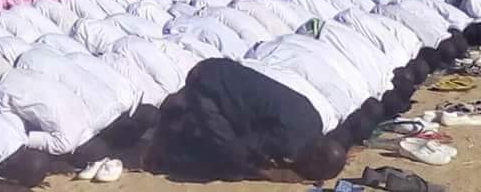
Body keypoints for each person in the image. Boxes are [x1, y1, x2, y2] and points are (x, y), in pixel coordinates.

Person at [144, 58, 346, 183]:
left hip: (219, 69)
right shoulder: (292, 143)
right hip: (205, 86)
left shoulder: (315, 121)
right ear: (315, 159)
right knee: (230, 163)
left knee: (236, 140)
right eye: (313, 173)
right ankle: (168, 155)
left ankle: (185, 116)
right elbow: (242, 149)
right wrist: (268, 173)